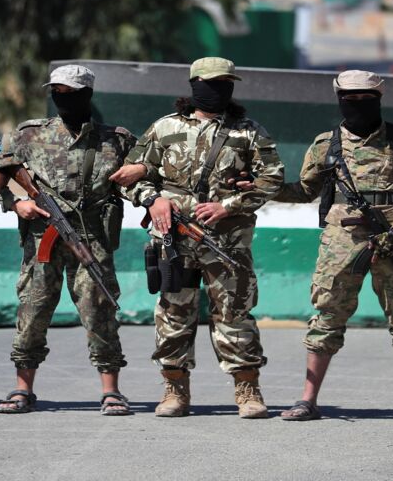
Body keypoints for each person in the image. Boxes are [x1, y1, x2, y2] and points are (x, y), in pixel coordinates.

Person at [275, 70, 393, 423]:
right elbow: (306, 191)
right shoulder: (326, 144)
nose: (357, 104)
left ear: (379, 99)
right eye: (349, 98)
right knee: (327, 315)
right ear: (339, 99)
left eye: (365, 98)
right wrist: (263, 188)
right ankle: (307, 400)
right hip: (340, 241)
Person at [122, 57, 284, 418]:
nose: (217, 90)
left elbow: (272, 178)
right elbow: (131, 177)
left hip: (227, 242)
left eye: (225, 83)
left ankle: (247, 389)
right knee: (173, 313)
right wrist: (153, 199)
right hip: (173, 240)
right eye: (210, 84)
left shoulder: (249, 132)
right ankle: (174, 389)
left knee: (235, 313)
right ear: (194, 85)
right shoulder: (164, 128)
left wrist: (228, 206)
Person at [0, 64, 137, 415]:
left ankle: (111, 391)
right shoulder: (28, 135)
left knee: (100, 311)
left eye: (70, 93)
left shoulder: (117, 139)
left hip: (91, 238)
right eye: (57, 93)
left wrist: (144, 178)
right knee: (33, 310)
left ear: (88, 94)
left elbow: (142, 177)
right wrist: (15, 201)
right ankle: (22, 389)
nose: (62, 99)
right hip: (41, 237)